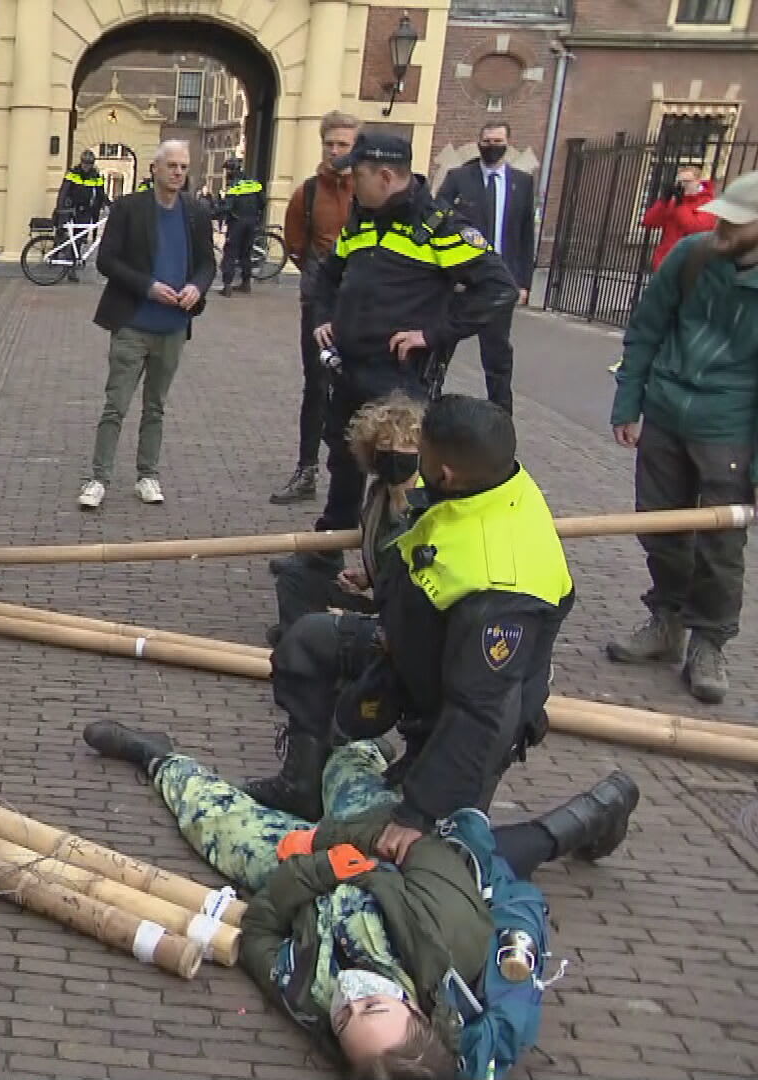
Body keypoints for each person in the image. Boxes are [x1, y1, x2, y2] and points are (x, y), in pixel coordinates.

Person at [82, 721, 639, 1077]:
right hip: (401, 844)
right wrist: (341, 841)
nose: (351, 995)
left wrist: (319, 865)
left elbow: (260, 931)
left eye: (346, 1017)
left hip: (320, 870)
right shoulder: (454, 955)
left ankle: (159, 760)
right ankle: (375, 748)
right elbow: (501, 907)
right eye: (372, 1005)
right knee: (346, 763)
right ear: (418, 1012)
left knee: (223, 832)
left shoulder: (308, 995)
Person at [250, 396, 573, 846]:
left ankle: (579, 823)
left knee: (440, 857)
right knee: (308, 641)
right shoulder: (487, 480)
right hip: (413, 652)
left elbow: (479, 711)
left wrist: (419, 813)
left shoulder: (504, 593)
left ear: (446, 472)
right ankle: (300, 785)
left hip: (474, 705)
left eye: (423, 454)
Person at [305, 133, 516, 542]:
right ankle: (327, 552)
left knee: (396, 472)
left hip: (399, 378)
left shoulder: (439, 228)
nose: (351, 183)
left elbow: (498, 290)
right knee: (343, 460)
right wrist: (324, 316)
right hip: (350, 367)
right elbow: (329, 275)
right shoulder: (362, 218)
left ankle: (389, 566)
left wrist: (433, 334)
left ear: (385, 177)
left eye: (358, 175)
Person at [606, 169, 758, 705]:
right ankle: (665, 622)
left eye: (735, 224)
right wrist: (629, 402)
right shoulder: (692, 255)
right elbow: (646, 328)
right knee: (660, 523)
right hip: (668, 410)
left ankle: (709, 642)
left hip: (730, 424)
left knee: (720, 544)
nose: (720, 229)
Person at [78, 139, 215, 511]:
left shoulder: (197, 213)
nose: (178, 173)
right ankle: (98, 478)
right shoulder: (128, 208)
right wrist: (148, 286)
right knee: (116, 404)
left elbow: (207, 264)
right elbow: (106, 261)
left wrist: (195, 288)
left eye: (184, 167)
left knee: (156, 406)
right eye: (171, 166)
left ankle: (147, 475)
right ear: (154, 169)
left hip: (172, 327)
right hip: (132, 322)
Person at [269, 393, 421, 644]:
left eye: (406, 446)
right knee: (295, 579)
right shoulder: (378, 495)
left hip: (400, 617)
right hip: (382, 601)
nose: (395, 453)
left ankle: (305, 638)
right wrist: (366, 578)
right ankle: (302, 636)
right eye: (386, 446)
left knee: (322, 625)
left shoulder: (428, 505)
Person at [271, 112, 361, 505]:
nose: (336, 150)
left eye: (343, 144)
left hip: (363, 305)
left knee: (359, 387)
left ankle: (352, 472)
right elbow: (295, 246)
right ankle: (306, 469)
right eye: (330, 143)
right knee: (317, 385)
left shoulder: (370, 189)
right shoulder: (306, 193)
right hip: (321, 306)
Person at [436, 123, 537, 412]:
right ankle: (428, 401)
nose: (492, 145)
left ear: (508, 142)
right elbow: (438, 221)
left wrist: (523, 282)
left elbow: (525, 234)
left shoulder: (522, 182)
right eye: (487, 140)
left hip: (500, 283)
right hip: (463, 281)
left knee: (497, 354)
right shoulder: (458, 178)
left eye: (498, 140)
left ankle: (501, 414)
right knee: (443, 345)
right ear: (478, 143)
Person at [640, 165, 717, 270]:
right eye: (680, 182)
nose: (683, 185)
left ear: (698, 181)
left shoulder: (707, 203)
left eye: (687, 181)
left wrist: (680, 206)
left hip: (688, 263)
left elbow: (695, 228)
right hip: (665, 260)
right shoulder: (674, 202)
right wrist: (663, 202)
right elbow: (649, 222)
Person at [54, 150, 112, 283]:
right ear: (81, 162)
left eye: (89, 163)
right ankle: (69, 267)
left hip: (86, 211)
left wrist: (110, 204)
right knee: (70, 238)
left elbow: (101, 193)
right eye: (85, 163)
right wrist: (60, 209)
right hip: (71, 209)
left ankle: (73, 260)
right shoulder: (73, 173)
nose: (87, 165)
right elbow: (63, 192)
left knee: (79, 239)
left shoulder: (95, 176)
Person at [216, 158, 266, 296]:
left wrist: (215, 212)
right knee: (246, 254)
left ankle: (227, 286)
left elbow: (227, 207)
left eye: (227, 171)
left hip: (237, 222)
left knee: (230, 253)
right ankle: (246, 283)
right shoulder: (254, 183)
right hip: (251, 222)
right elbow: (263, 201)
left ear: (231, 171)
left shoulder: (234, 187)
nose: (226, 174)